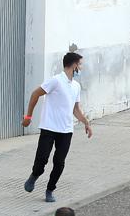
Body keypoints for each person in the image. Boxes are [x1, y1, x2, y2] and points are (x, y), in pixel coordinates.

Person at [22, 52, 93, 204]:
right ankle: (34, 176)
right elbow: (35, 94)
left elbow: (75, 109)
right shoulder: (56, 81)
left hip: (66, 131)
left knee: (59, 162)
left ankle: (50, 190)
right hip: (49, 128)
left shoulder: (76, 86)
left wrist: (86, 122)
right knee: (42, 160)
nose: (81, 67)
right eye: (80, 64)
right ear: (74, 65)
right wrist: (28, 116)